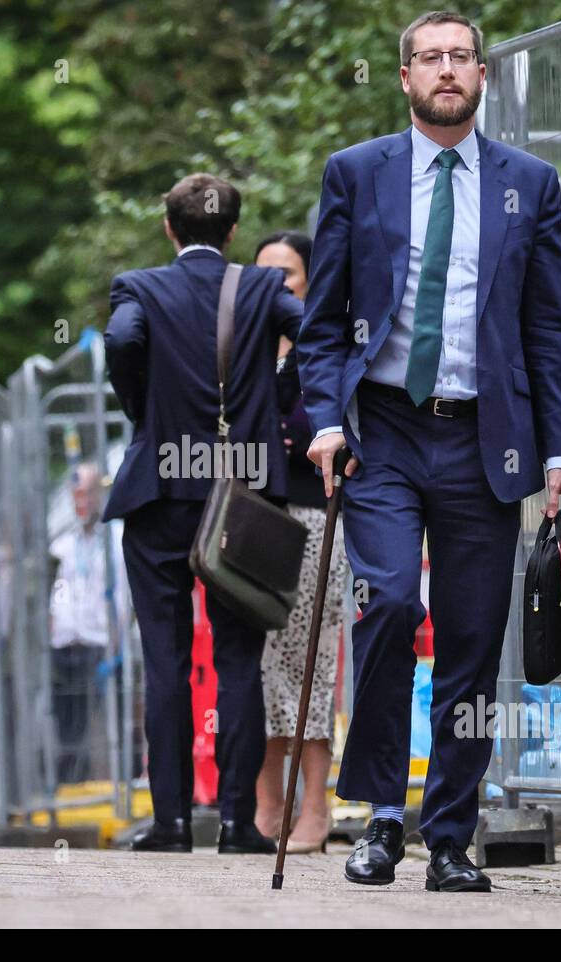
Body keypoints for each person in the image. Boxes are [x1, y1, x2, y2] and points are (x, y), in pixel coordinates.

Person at [297, 10, 561, 891]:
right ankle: (382, 817)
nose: (447, 71)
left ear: (483, 76)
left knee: (469, 637)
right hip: (381, 432)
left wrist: (560, 452)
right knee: (386, 605)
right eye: (431, 58)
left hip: (486, 443)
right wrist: (325, 418)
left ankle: (450, 834)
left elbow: (550, 331)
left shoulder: (528, 184)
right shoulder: (357, 175)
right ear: (405, 77)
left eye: (461, 57)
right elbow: (320, 328)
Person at [102, 172, 305, 853]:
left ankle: (172, 821)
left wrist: (145, 416)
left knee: (166, 662)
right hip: (243, 498)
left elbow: (124, 342)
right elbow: (313, 335)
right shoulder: (262, 288)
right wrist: (276, 403)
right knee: (239, 661)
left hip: (160, 493)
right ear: (233, 231)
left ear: (169, 228)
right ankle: (240, 824)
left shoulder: (140, 288)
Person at [252, 230, 350, 853]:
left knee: (310, 661)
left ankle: (315, 803)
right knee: (260, 665)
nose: (273, 284)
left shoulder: (324, 347)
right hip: (253, 522)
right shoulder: (241, 345)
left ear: (309, 280)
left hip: (315, 519)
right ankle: (267, 797)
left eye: (285, 273)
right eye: (261, 273)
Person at [48, 464, 126, 787]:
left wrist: (117, 641)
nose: (82, 500)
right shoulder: (63, 544)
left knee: (113, 724)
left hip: (103, 645)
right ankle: (71, 788)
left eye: (88, 493)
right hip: (67, 645)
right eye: (76, 493)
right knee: (69, 726)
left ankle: (120, 784)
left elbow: (124, 595)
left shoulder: (117, 538)